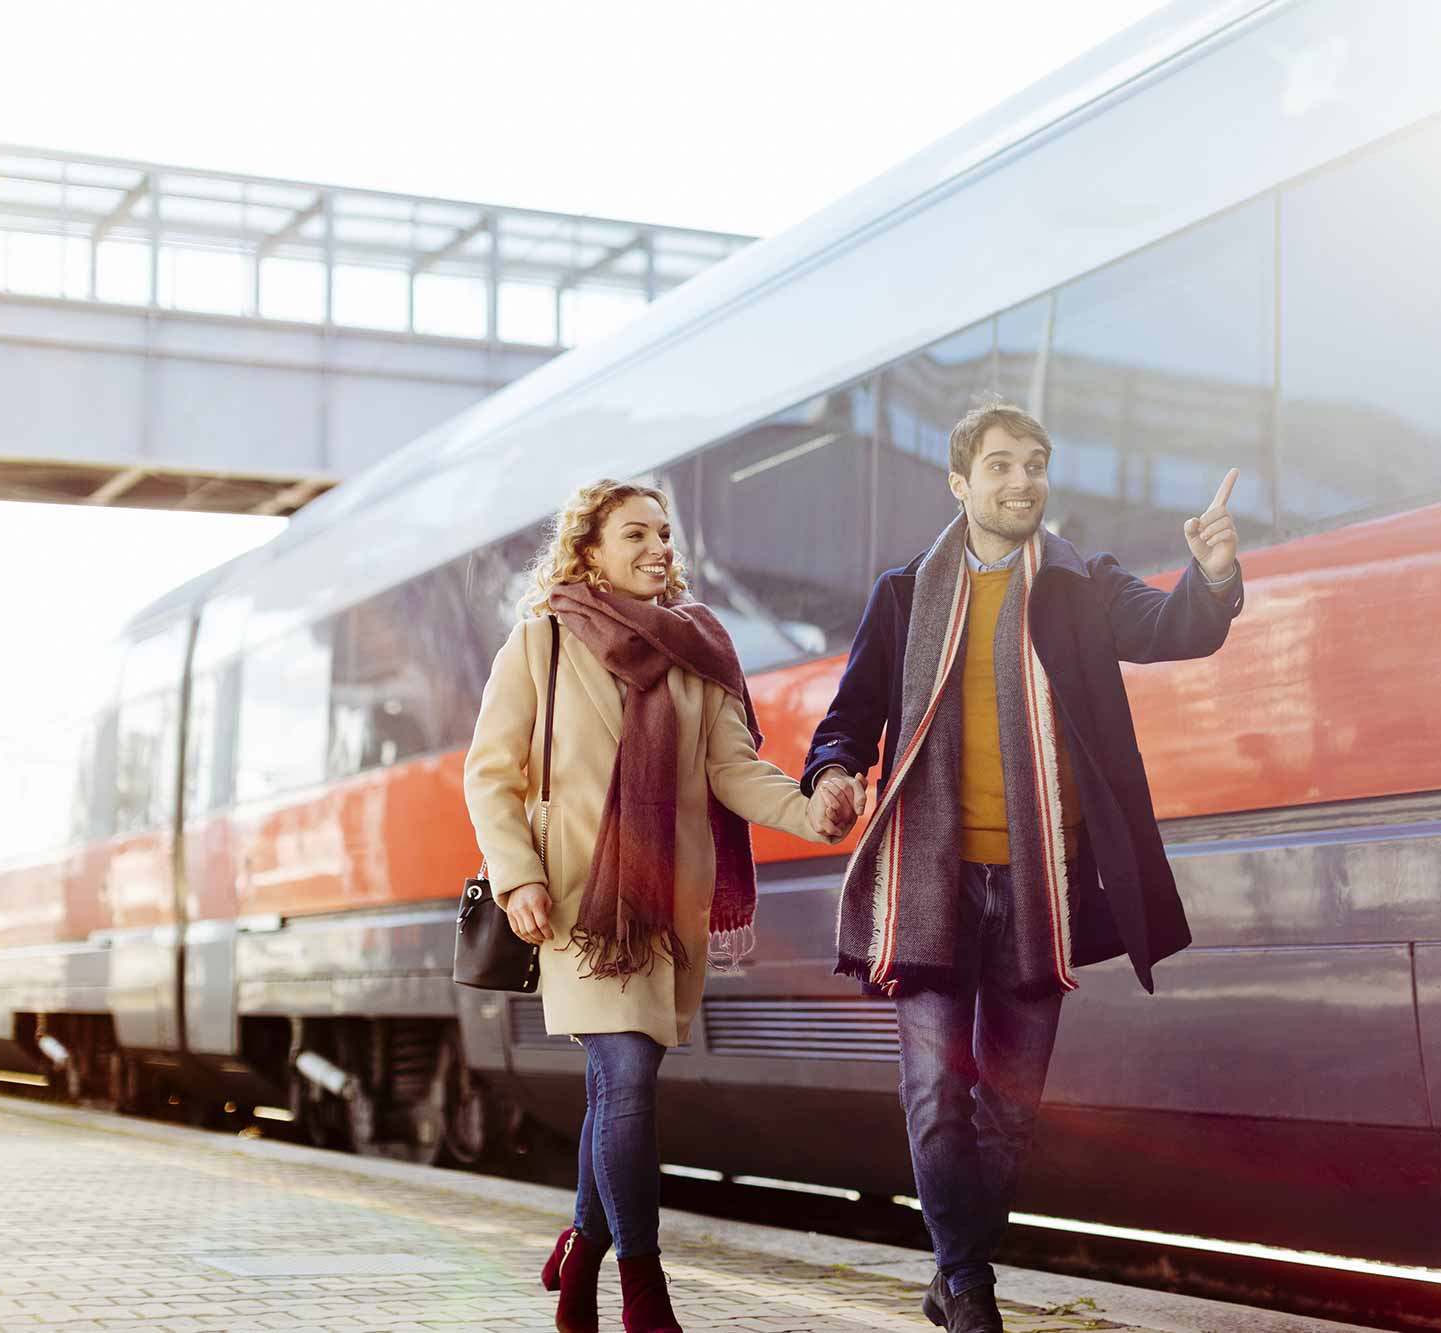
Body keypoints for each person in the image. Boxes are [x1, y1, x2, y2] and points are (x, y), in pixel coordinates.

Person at [801, 402, 1244, 1333]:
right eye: (1000, 465)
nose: (1023, 482)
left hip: (1042, 883)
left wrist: (1211, 575)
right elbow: (847, 716)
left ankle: (956, 1267)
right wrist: (834, 771)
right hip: (933, 882)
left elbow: (1173, 628)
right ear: (960, 484)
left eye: (1036, 464)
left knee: (1008, 1111)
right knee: (933, 1095)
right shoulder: (903, 596)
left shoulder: (1082, 583)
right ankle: (966, 1283)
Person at [463, 479, 846, 1333]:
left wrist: (811, 812)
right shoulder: (541, 644)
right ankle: (644, 1286)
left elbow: (733, 770)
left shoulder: (695, 651)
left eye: (665, 535)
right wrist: (518, 873)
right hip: (578, 905)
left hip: (666, 904)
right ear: (589, 548)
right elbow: (491, 773)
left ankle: (581, 1255)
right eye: (635, 533)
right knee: (627, 1077)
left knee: (614, 1092)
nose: (658, 548)